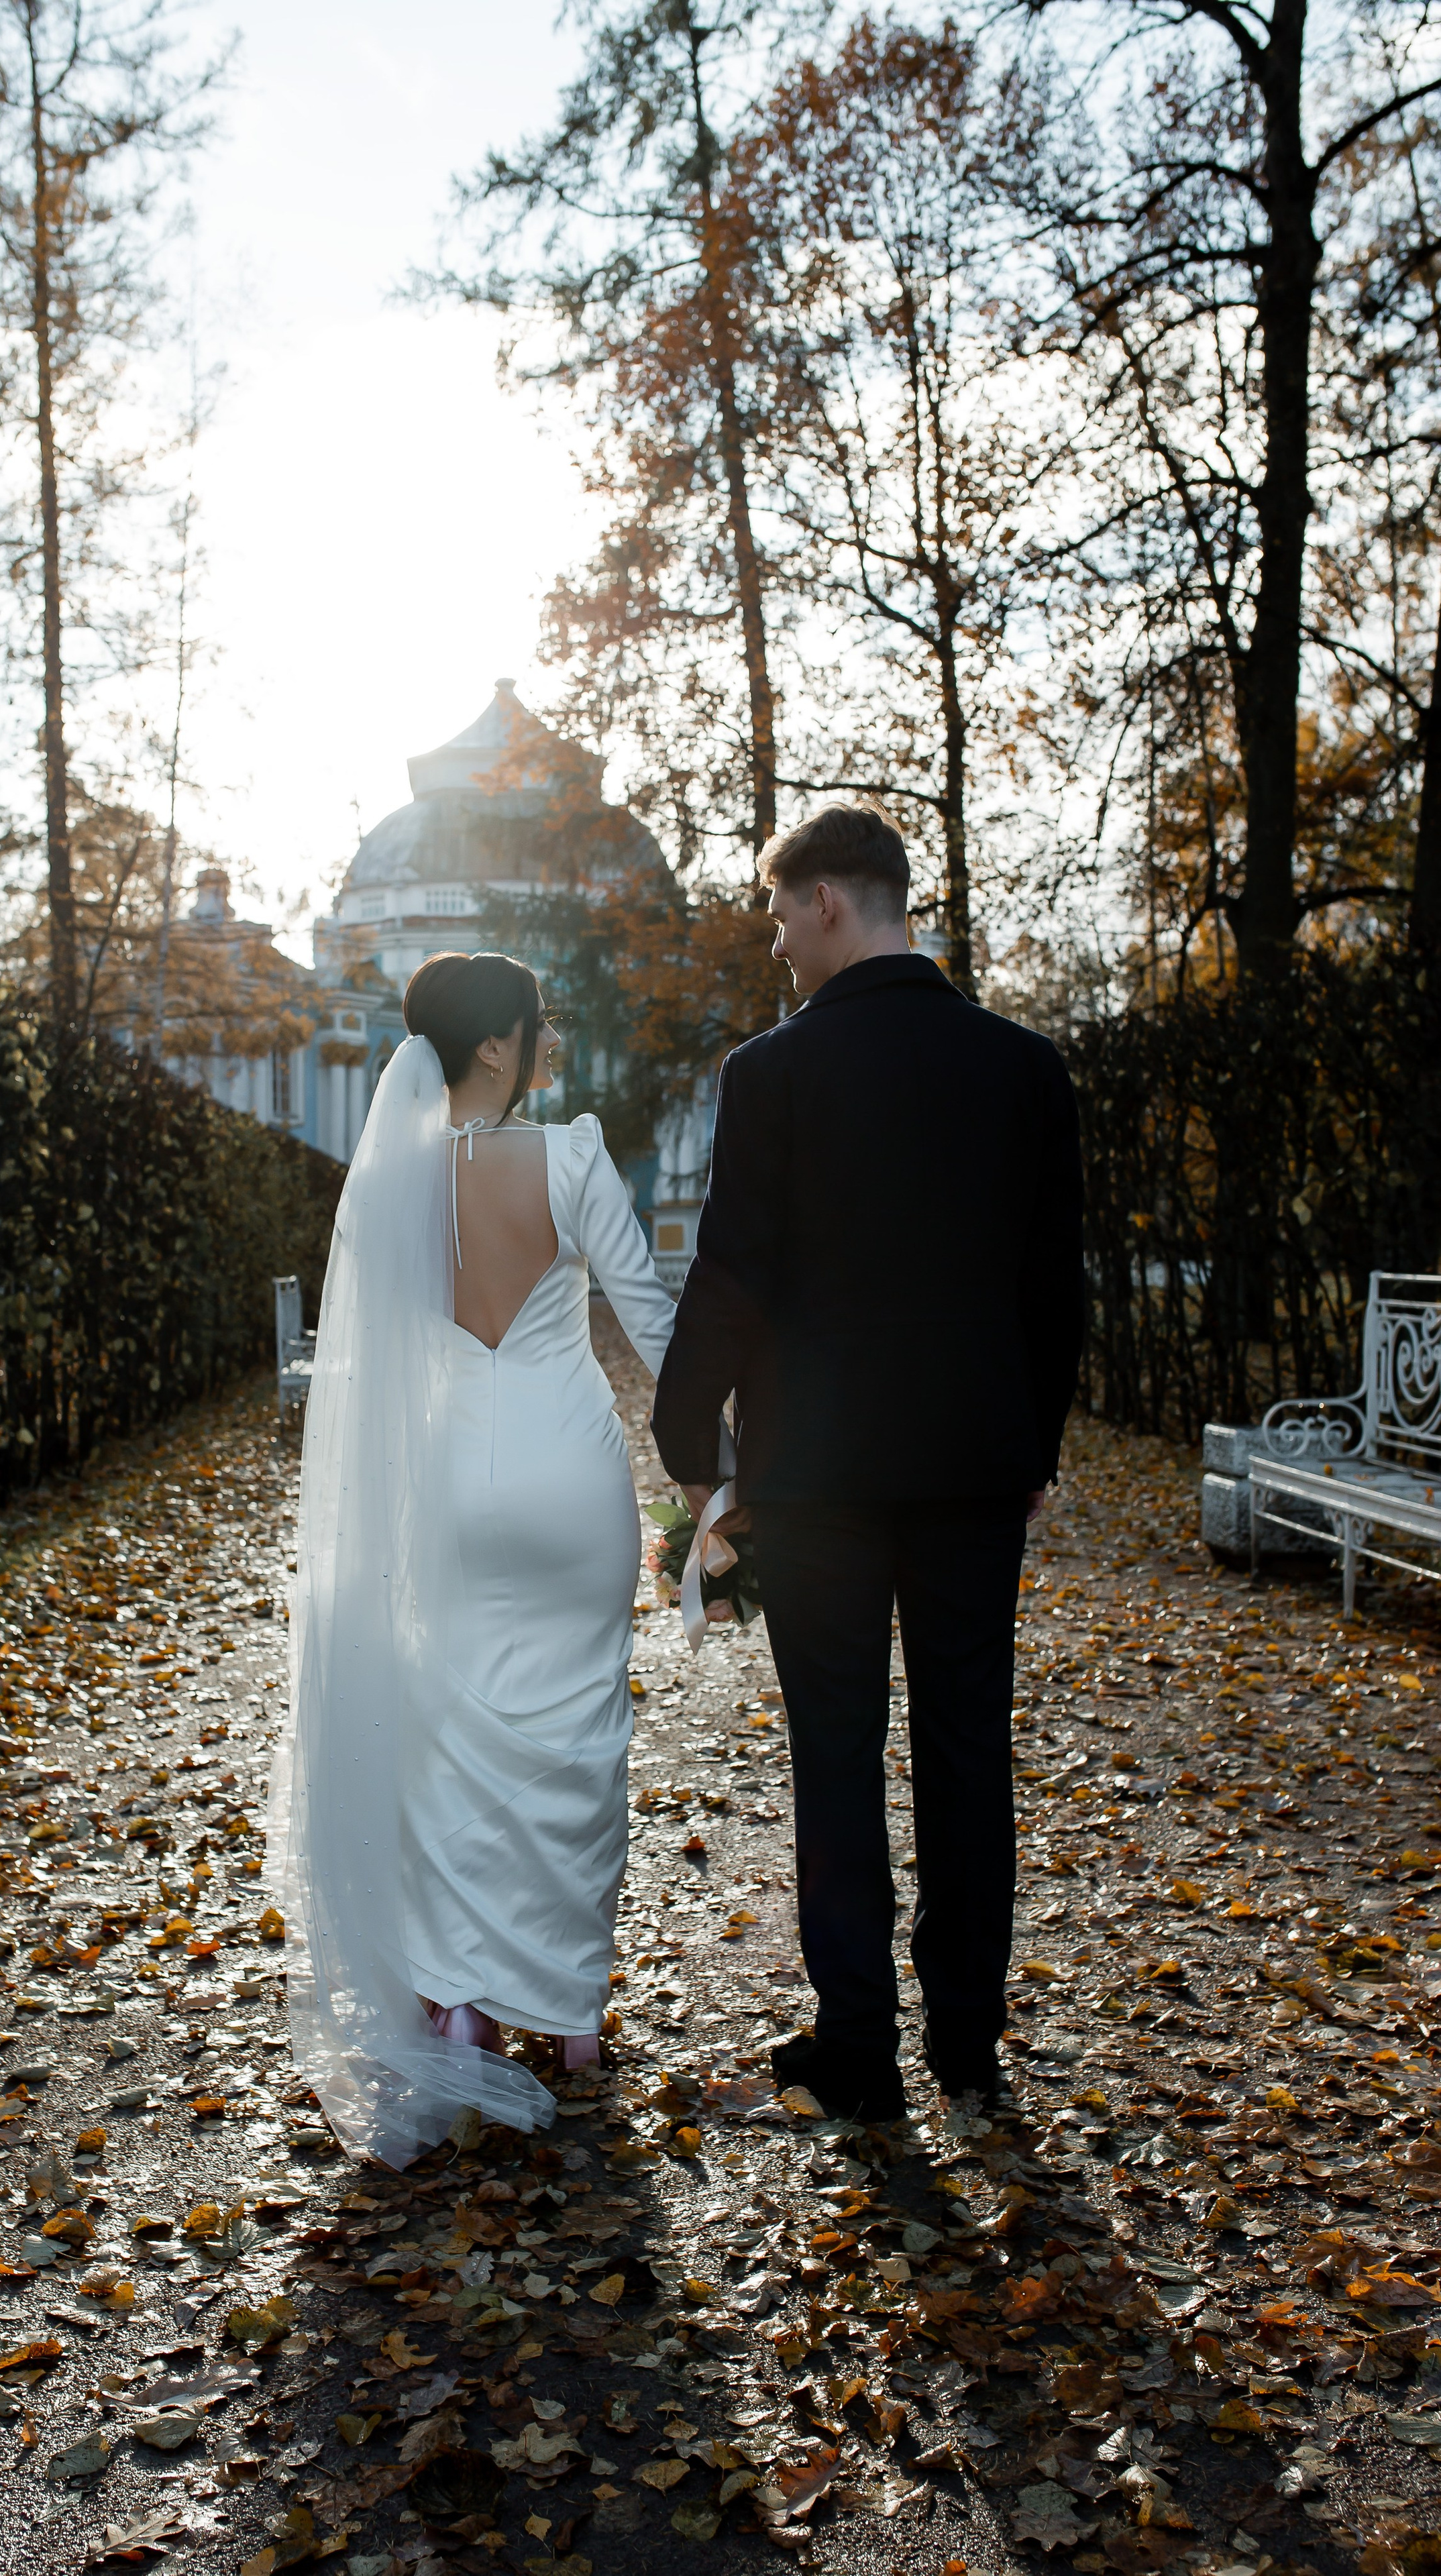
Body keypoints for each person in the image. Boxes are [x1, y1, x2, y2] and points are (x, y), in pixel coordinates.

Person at [651, 804, 1085, 2123]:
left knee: (833, 1752)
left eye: (782, 915)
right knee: (966, 1746)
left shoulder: (770, 1074)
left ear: (830, 902)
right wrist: (1032, 1447)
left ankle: (855, 2042)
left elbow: (731, 1276)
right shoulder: (1023, 1069)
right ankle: (964, 2038)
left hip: (818, 1477)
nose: (779, 944)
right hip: (969, 1463)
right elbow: (1051, 1288)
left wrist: (688, 1450)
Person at [272, 951, 674, 2166]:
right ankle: (571, 2010)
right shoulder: (572, 1158)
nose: (544, 1041)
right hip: (566, 1477)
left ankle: (458, 2000)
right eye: (533, 1028)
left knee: (451, 1742)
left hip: (446, 1488)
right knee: (578, 1736)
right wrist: (720, 1476)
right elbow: (654, 1320)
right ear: (495, 1046)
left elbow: (367, 1374)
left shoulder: (386, 1187)